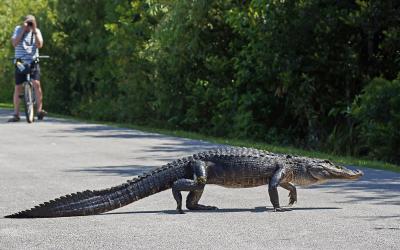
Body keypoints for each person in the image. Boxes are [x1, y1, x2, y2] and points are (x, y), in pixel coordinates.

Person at [8, 14, 47, 122]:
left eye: (31, 22)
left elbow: (40, 45)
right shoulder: (18, 29)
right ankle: (16, 114)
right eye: (28, 22)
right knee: (18, 86)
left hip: (33, 61)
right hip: (20, 62)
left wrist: (34, 30)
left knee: (36, 83)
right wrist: (22, 30)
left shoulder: (37, 31)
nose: (29, 25)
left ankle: (39, 111)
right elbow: (14, 43)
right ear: (23, 22)